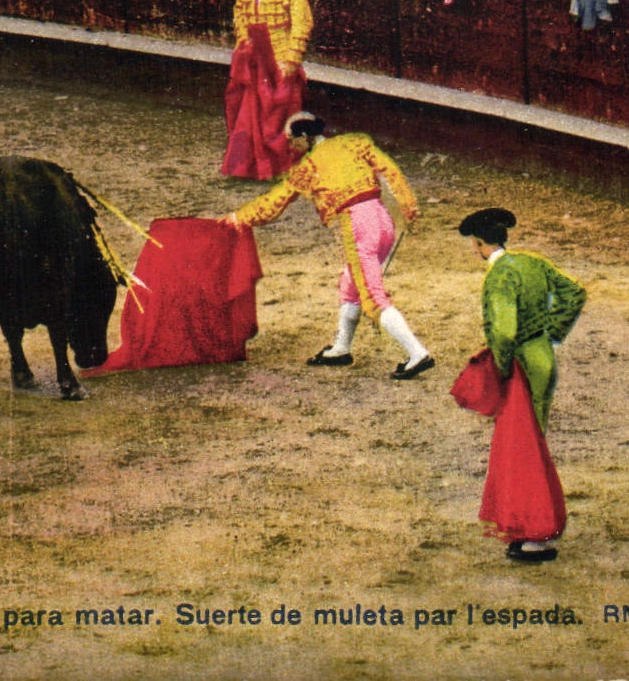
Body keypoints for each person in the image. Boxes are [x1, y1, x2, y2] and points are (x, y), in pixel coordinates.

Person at [227, 114, 432, 379]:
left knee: (372, 295)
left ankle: (417, 353)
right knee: (351, 283)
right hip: (382, 220)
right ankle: (341, 348)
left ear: (305, 137)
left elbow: (276, 202)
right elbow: (391, 171)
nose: (291, 147)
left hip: (357, 226)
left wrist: (239, 218)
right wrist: (409, 208)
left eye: (292, 141)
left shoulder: (309, 166)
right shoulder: (356, 143)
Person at [457, 206, 585, 561]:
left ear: (481, 244)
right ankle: (532, 529)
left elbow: (503, 330)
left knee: (524, 447)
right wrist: (551, 332)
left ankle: (535, 535)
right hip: (543, 356)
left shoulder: (499, 276)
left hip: (521, 364)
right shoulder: (532, 262)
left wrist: (500, 368)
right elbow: (574, 293)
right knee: (534, 440)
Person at [218, 0, 312, 180]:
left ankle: (283, 166)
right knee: (248, 108)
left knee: (278, 109)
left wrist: (292, 57)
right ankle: (250, 166)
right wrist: (243, 41)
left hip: (279, 47)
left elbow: (302, 21)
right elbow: (239, 11)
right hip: (253, 49)